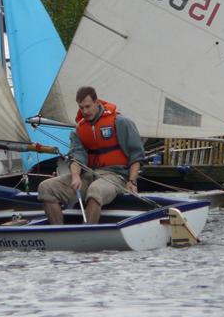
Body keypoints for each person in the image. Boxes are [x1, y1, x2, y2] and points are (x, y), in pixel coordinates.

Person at [37, 86, 145, 225]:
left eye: (88, 106)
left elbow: (137, 155)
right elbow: (76, 156)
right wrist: (75, 176)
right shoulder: (80, 129)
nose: (85, 111)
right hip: (87, 176)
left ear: (97, 102)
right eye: (81, 108)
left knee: (95, 191)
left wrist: (132, 181)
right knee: (45, 188)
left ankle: (86, 233)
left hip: (115, 177)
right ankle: (58, 233)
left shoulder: (121, 122)